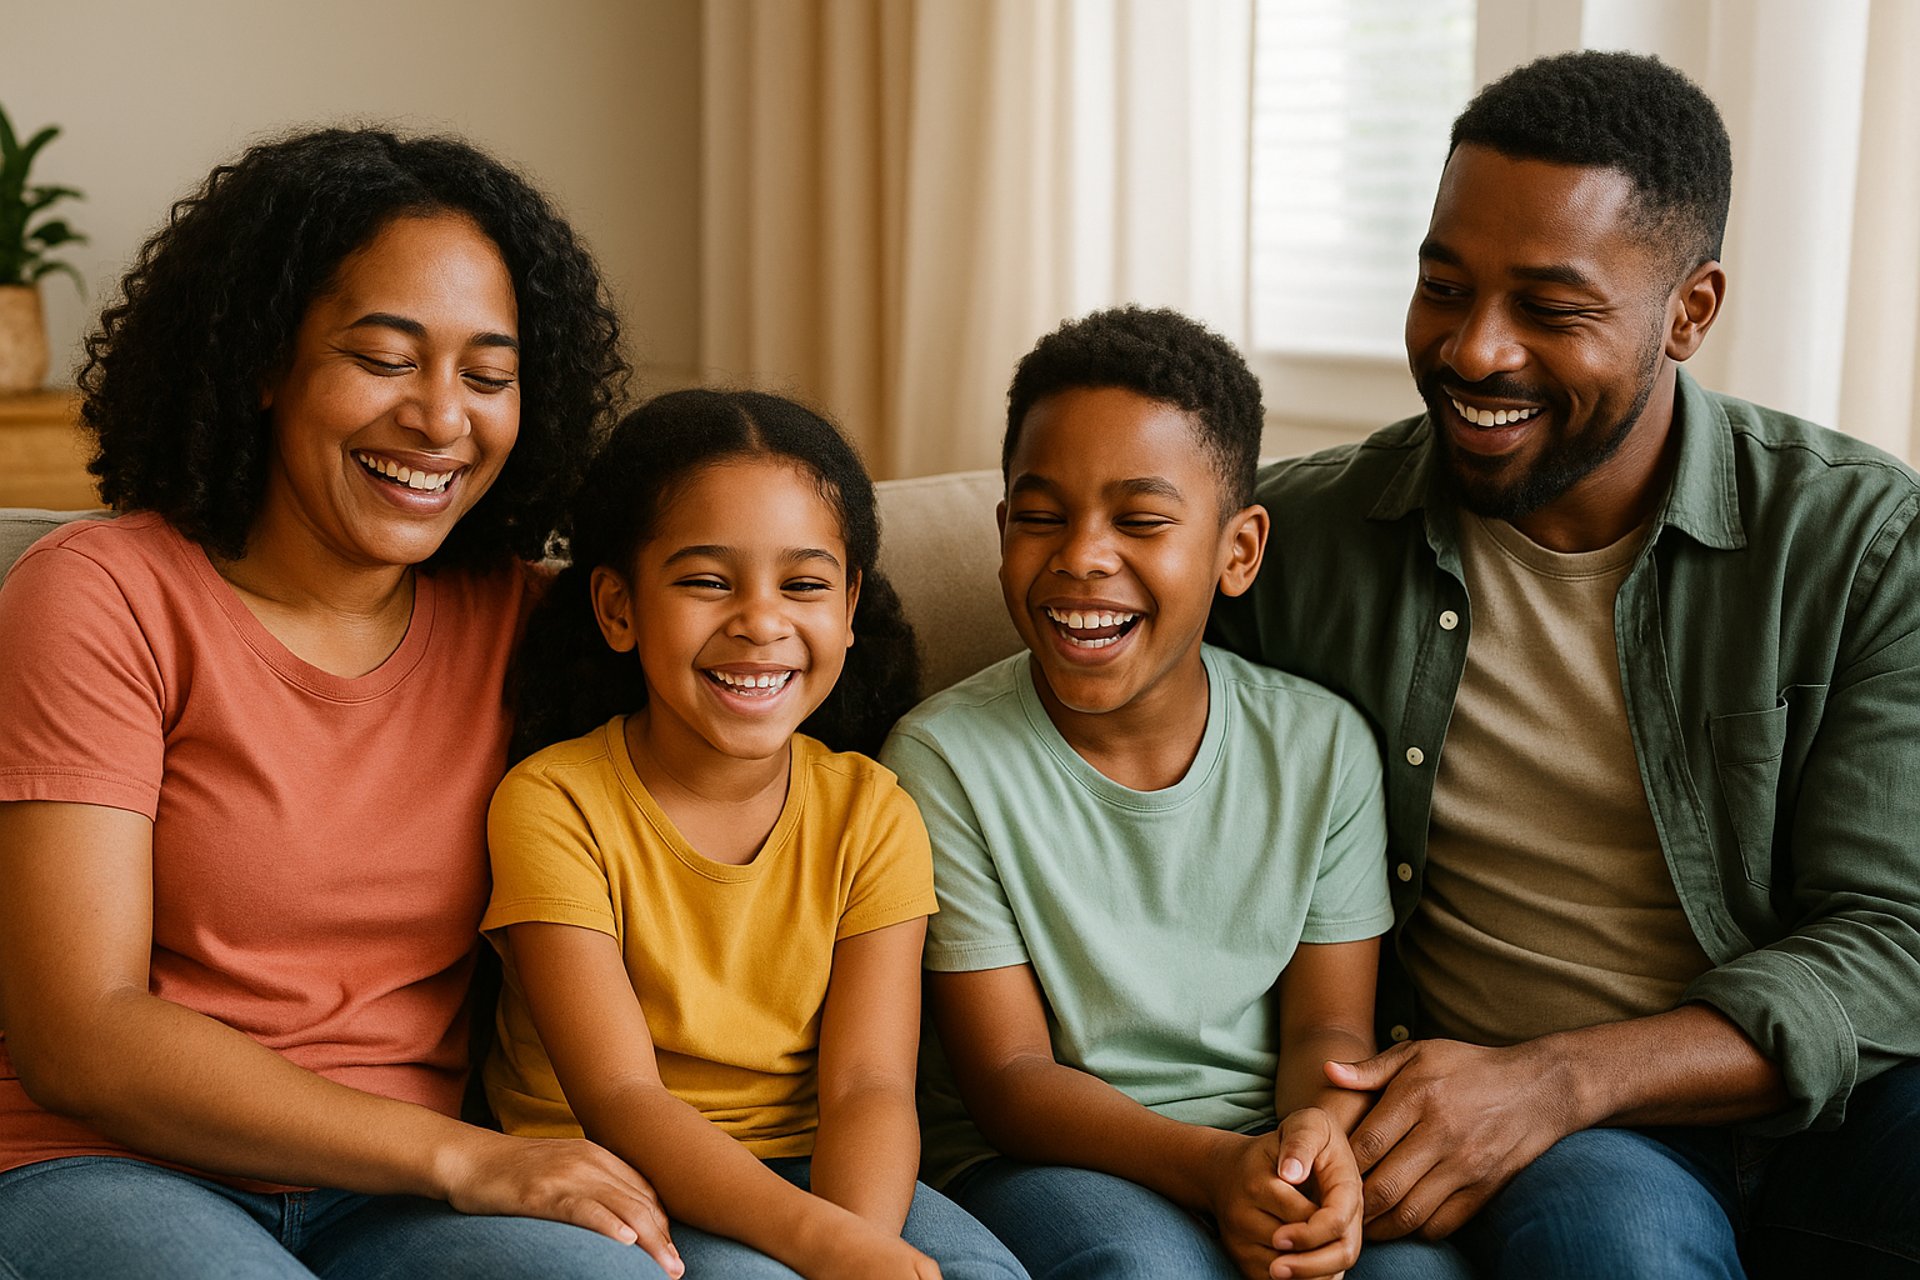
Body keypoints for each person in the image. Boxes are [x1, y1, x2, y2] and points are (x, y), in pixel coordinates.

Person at [1209, 50, 1920, 1279]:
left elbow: (1896, 933)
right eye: (1444, 285)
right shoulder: (1293, 548)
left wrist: (1562, 1076)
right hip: (1570, 1149)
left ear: (1690, 310)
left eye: (1552, 307)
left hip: (1834, 1101)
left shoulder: (1858, 540)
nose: (1475, 351)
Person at [0, 129, 685, 1278]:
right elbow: (80, 1029)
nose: (439, 418)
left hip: (397, 1199)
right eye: (384, 357)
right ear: (265, 363)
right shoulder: (100, 591)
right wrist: (466, 1158)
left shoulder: (531, 621)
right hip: (101, 1163)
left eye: (487, 374)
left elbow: (768, 665)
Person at [882, 307, 1441, 1280]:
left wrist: (1311, 1144)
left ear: (1240, 549)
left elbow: (1329, 1028)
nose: (1083, 555)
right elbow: (1011, 1077)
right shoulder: (942, 759)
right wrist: (1216, 1166)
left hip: (1262, 1138)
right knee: (1147, 1265)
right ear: (1004, 527)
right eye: (1043, 515)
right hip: (1043, 1157)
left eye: (1140, 520)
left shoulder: (1323, 747)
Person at [482, 388, 1028, 1280]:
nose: (762, 620)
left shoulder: (874, 812)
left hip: (826, 1168)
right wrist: (826, 1247)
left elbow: (871, 1087)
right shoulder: (552, 803)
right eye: (707, 580)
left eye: (804, 584)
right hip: (610, 1173)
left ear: (849, 609)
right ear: (617, 607)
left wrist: (861, 1239)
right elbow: (621, 1098)